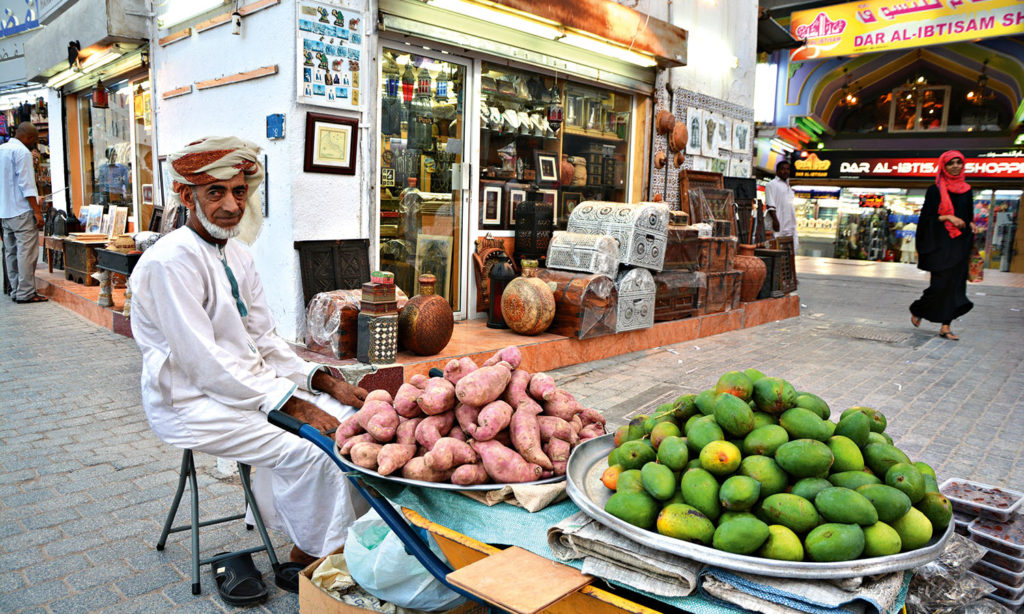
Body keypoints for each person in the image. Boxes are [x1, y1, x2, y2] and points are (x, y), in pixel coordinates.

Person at [129, 137, 370, 580]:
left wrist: (323, 381)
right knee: (314, 448)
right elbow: (204, 363)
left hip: (245, 389)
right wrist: (291, 404)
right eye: (214, 192)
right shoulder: (168, 262)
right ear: (187, 196)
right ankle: (313, 551)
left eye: (238, 192)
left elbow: (265, 340)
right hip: (189, 402)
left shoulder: (238, 254)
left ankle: (330, 536)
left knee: (354, 428)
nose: (230, 205)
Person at [909, 150, 974, 340]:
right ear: (943, 167)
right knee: (940, 285)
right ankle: (918, 308)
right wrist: (948, 217)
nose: (955, 166)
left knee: (955, 286)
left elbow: (967, 214)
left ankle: (946, 326)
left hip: (960, 243)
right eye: (950, 163)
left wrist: (969, 223)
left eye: (958, 162)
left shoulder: (967, 190)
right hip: (939, 244)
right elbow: (926, 218)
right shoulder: (935, 189)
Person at [1, 121, 47, 303]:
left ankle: (15, 290)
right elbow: (27, 185)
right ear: (28, 138)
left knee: (11, 252)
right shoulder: (22, 152)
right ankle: (26, 293)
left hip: (5, 211)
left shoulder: (2, 149)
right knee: (26, 253)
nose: (33, 143)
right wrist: (37, 212)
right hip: (21, 210)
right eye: (34, 140)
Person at [765, 160, 799, 252]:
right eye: (783, 169)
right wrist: (775, 220)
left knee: (790, 251)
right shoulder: (771, 184)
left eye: (787, 169)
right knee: (776, 248)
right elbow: (770, 204)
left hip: (790, 224)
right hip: (778, 224)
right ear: (777, 171)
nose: (785, 171)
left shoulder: (788, 186)